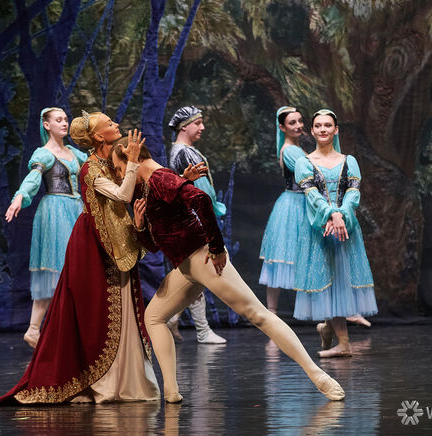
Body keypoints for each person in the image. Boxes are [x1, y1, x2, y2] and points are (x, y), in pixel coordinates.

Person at [110, 143, 345, 403]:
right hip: (186, 267)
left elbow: (201, 200)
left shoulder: (159, 178)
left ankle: (317, 375)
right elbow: (156, 244)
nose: (120, 176)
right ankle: (171, 392)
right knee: (154, 317)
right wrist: (140, 226)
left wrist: (216, 247)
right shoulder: (151, 185)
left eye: (120, 169)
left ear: (133, 160)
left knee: (258, 315)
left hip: (203, 259)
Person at [0, 112, 159, 406]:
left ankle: (127, 378)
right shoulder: (88, 167)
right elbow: (123, 195)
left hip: (115, 237)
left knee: (121, 305)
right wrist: (19, 197)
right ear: (99, 136)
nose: (116, 124)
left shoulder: (88, 158)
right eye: (109, 124)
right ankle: (97, 378)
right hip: (90, 238)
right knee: (94, 308)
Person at [293, 109, 377, 358]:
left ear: (336, 129)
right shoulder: (304, 163)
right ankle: (331, 330)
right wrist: (331, 214)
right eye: (318, 125)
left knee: (340, 282)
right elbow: (312, 195)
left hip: (344, 228)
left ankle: (342, 342)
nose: (323, 129)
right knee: (327, 280)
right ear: (312, 130)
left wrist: (342, 215)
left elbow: (353, 193)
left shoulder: (349, 161)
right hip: (320, 227)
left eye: (328, 125)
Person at [4, 107, 87, 348]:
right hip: (56, 212)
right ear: (47, 125)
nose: (64, 123)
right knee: (56, 270)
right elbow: (33, 179)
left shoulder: (73, 153)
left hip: (77, 210)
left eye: (66, 119)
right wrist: (20, 196)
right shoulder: (45, 153)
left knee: (76, 271)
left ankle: (65, 330)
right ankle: (34, 328)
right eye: (58, 120)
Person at [166, 106, 226, 344]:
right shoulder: (184, 153)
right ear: (184, 127)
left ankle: (176, 319)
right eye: (197, 123)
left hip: (192, 217)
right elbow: (199, 190)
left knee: (193, 276)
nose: (202, 127)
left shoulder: (183, 151)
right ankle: (201, 329)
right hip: (193, 218)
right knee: (200, 274)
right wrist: (209, 211)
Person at [259, 106, 307, 316]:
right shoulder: (289, 150)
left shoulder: (296, 148)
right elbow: (311, 174)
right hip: (293, 205)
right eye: (292, 123)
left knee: (295, 254)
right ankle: (272, 312)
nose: (298, 126)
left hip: (301, 202)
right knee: (281, 254)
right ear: (282, 127)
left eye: (300, 121)